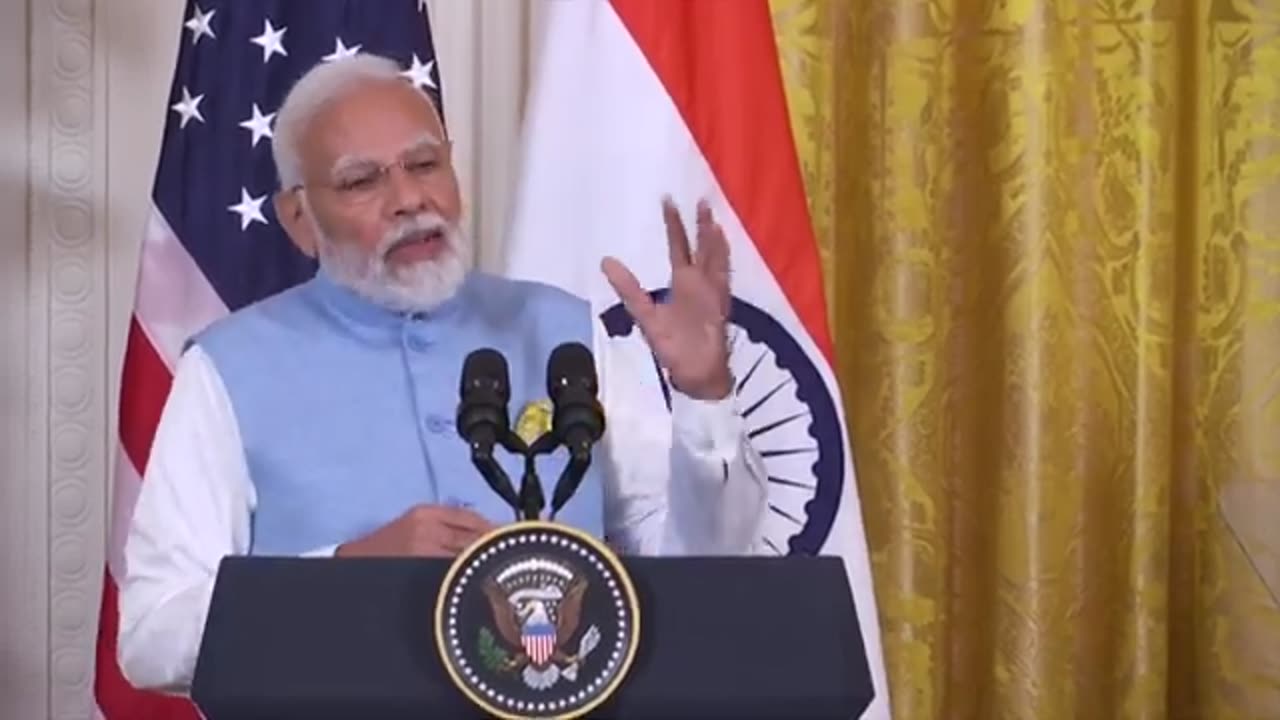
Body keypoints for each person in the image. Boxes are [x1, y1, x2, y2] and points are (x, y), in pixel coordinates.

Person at [116, 53, 768, 693]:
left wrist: (705, 396)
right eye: (360, 181)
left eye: (426, 165)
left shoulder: (564, 330)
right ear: (298, 220)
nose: (409, 200)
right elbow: (152, 637)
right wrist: (343, 575)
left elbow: (699, 569)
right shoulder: (229, 367)